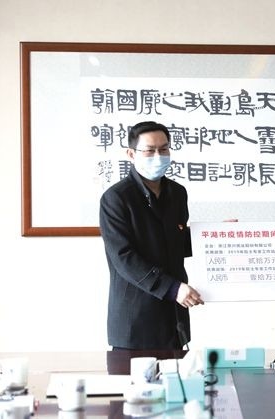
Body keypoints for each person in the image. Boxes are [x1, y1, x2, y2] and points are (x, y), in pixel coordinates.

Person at [99, 121, 203, 350]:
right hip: (135, 320)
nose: (158, 156)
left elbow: (175, 243)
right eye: (150, 150)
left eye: (164, 149)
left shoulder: (177, 193)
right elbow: (123, 257)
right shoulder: (116, 198)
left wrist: (212, 237)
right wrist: (172, 288)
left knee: (178, 373)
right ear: (131, 154)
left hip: (174, 319)